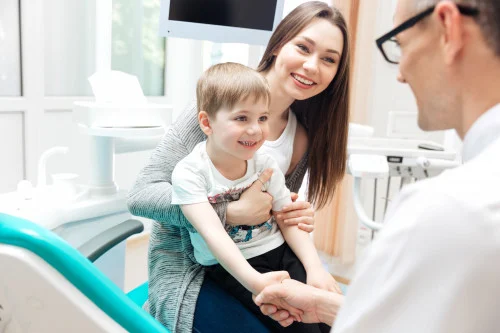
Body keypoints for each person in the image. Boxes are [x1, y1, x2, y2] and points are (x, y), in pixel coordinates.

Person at [254, 0, 500, 332]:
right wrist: (325, 305)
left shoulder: (447, 210)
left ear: (449, 28)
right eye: (304, 48)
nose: (399, 74)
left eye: (399, 43)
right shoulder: (220, 101)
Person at [127, 2, 350, 332]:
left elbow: (272, 213)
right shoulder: (221, 105)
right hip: (194, 268)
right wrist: (231, 212)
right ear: (277, 44)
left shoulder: (301, 136)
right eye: (303, 47)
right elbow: (141, 195)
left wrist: (294, 218)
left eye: (329, 59)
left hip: (265, 256)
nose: (312, 66)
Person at [172, 62, 340, 333]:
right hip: (232, 265)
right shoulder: (190, 172)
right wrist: (256, 282)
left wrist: (315, 268)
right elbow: (213, 235)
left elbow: (286, 217)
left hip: (279, 251)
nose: (255, 130)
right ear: (206, 122)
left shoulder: (264, 161)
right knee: (301, 327)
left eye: (262, 118)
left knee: (334, 321)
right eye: (242, 118)